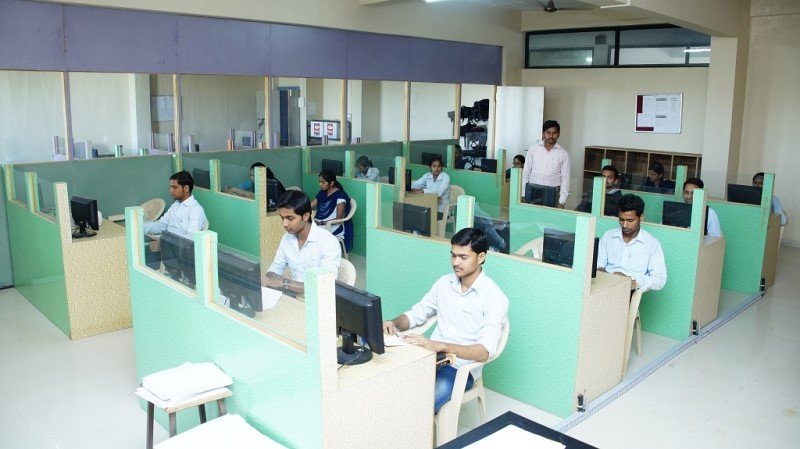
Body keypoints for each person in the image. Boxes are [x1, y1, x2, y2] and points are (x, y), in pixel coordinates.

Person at [382, 227, 508, 413]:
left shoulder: (495, 297)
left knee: (419, 408)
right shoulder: (444, 283)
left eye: (463, 257)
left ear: (481, 257)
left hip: (460, 369)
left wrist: (442, 346)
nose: (456, 262)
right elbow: (417, 313)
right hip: (429, 357)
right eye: (453, 256)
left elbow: (484, 352)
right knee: (386, 386)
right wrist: (393, 323)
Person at [263, 190, 342, 295]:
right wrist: (277, 279)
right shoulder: (287, 238)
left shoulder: (328, 242)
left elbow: (324, 285)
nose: (284, 224)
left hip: (317, 299)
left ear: (305, 216)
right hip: (294, 295)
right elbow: (274, 268)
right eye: (282, 218)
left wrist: (284, 283)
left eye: (290, 218)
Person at [598, 194, 667, 292]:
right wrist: (603, 273)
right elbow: (598, 266)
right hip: (604, 286)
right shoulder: (608, 236)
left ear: (641, 218)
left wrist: (632, 280)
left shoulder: (651, 244)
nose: (625, 225)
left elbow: (660, 280)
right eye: (621, 220)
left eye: (630, 220)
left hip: (632, 291)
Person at [143, 171, 208, 238]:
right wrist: (140, 227)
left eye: (174, 187)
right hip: (169, 242)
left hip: (177, 244)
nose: (170, 190)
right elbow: (161, 225)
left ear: (186, 188)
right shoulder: (175, 205)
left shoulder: (196, 210)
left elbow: (190, 239)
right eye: (171, 187)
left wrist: (164, 242)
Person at [521, 120, 570, 207]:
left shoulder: (563, 154)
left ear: (558, 134)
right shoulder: (533, 149)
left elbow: (565, 178)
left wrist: (562, 201)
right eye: (548, 132)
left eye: (554, 133)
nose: (551, 136)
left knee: (550, 216)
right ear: (543, 133)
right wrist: (523, 193)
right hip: (533, 190)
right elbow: (526, 172)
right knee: (532, 214)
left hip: (552, 193)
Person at [311, 170, 354, 252]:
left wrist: (321, 223)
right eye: (319, 182)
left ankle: (318, 256)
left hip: (333, 225)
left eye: (323, 182)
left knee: (311, 235)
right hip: (319, 223)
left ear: (331, 183)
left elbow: (339, 218)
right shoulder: (322, 193)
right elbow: (311, 205)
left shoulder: (340, 196)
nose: (320, 184)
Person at [411, 155, 451, 220]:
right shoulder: (427, 175)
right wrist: (412, 188)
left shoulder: (445, 177)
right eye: (434, 166)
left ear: (441, 168)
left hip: (442, 211)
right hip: (430, 207)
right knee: (415, 213)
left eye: (439, 166)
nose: (436, 168)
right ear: (430, 167)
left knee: (422, 217)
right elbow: (415, 184)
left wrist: (423, 190)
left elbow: (439, 191)